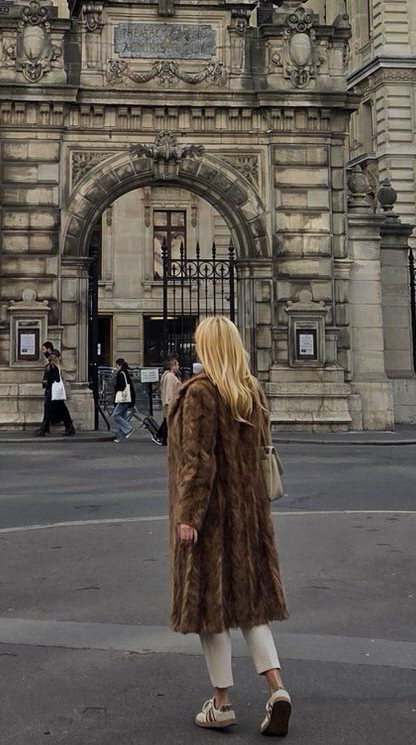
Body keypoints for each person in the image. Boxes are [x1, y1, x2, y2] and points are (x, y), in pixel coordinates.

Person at [167, 315, 292, 736]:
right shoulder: (248, 391)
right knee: (251, 608)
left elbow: (198, 461)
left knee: (210, 610)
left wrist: (188, 515)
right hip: (250, 513)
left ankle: (221, 702)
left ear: (208, 348)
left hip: (213, 517)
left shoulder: (202, 392)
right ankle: (277, 690)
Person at [36, 352, 74, 437]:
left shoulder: (54, 369)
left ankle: (43, 429)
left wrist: (47, 380)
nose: (48, 362)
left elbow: (53, 380)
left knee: (49, 411)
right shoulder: (54, 368)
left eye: (50, 360)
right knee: (62, 411)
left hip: (53, 393)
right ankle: (69, 427)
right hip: (54, 394)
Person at [110, 357, 142, 442]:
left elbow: (121, 386)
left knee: (116, 415)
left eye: (116, 366)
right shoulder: (125, 373)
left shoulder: (121, 373)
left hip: (123, 398)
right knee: (122, 417)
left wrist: (116, 387)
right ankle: (120, 437)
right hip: (128, 397)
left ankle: (129, 428)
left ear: (119, 365)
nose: (116, 368)